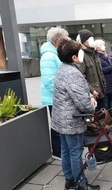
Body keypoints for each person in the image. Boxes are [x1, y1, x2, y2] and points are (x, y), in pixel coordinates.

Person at [51, 39, 99, 190]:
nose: (82, 55)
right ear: (73, 57)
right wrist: (91, 105)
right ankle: (81, 184)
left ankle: (69, 180)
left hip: (61, 119)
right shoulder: (72, 73)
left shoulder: (63, 68)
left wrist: (88, 95)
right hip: (72, 121)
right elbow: (83, 103)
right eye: (80, 53)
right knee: (75, 153)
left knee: (66, 151)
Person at [40, 27, 69, 160]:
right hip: (54, 98)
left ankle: (60, 150)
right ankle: (57, 152)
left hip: (57, 97)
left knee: (60, 125)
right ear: (57, 40)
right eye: (65, 38)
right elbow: (49, 81)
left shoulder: (55, 53)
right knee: (57, 126)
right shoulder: (49, 56)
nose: (67, 40)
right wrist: (62, 96)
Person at [78, 29, 106, 110]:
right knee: (95, 117)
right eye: (89, 39)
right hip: (93, 94)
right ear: (83, 41)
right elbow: (81, 76)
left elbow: (99, 72)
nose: (92, 40)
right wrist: (92, 90)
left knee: (103, 116)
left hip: (101, 91)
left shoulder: (94, 53)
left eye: (92, 38)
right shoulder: (82, 55)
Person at [94, 39, 112, 109]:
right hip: (105, 81)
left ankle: (110, 112)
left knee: (110, 99)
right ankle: (106, 115)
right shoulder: (97, 57)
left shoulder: (106, 55)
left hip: (111, 80)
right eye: (103, 45)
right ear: (98, 47)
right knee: (105, 101)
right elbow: (101, 70)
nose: (104, 46)